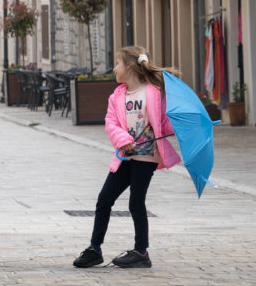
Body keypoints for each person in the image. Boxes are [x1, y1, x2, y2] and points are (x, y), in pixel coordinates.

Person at [72, 46, 181, 270]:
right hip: (126, 156)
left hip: (146, 156)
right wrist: (123, 139)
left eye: (117, 64)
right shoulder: (117, 96)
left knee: (136, 202)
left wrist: (182, 123)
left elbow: (164, 122)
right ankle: (94, 249)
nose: (114, 68)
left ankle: (141, 252)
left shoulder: (153, 92)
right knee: (104, 199)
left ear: (129, 66)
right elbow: (111, 123)